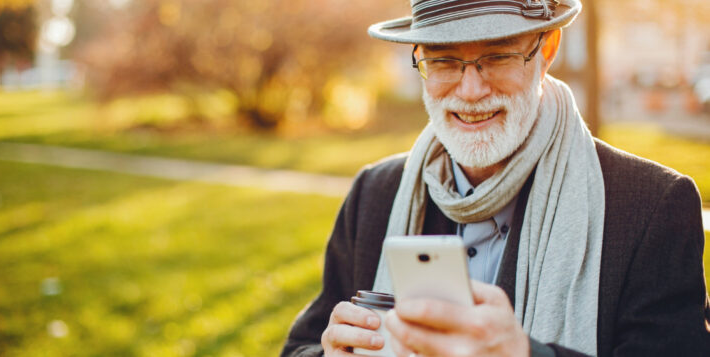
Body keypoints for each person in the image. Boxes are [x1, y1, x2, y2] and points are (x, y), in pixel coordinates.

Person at [281, 0, 710, 356]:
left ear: (547, 49)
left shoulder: (654, 206)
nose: (470, 91)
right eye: (444, 60)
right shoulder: (374, 194)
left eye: (498, 55)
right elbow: (301, 345)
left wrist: (525, 353)